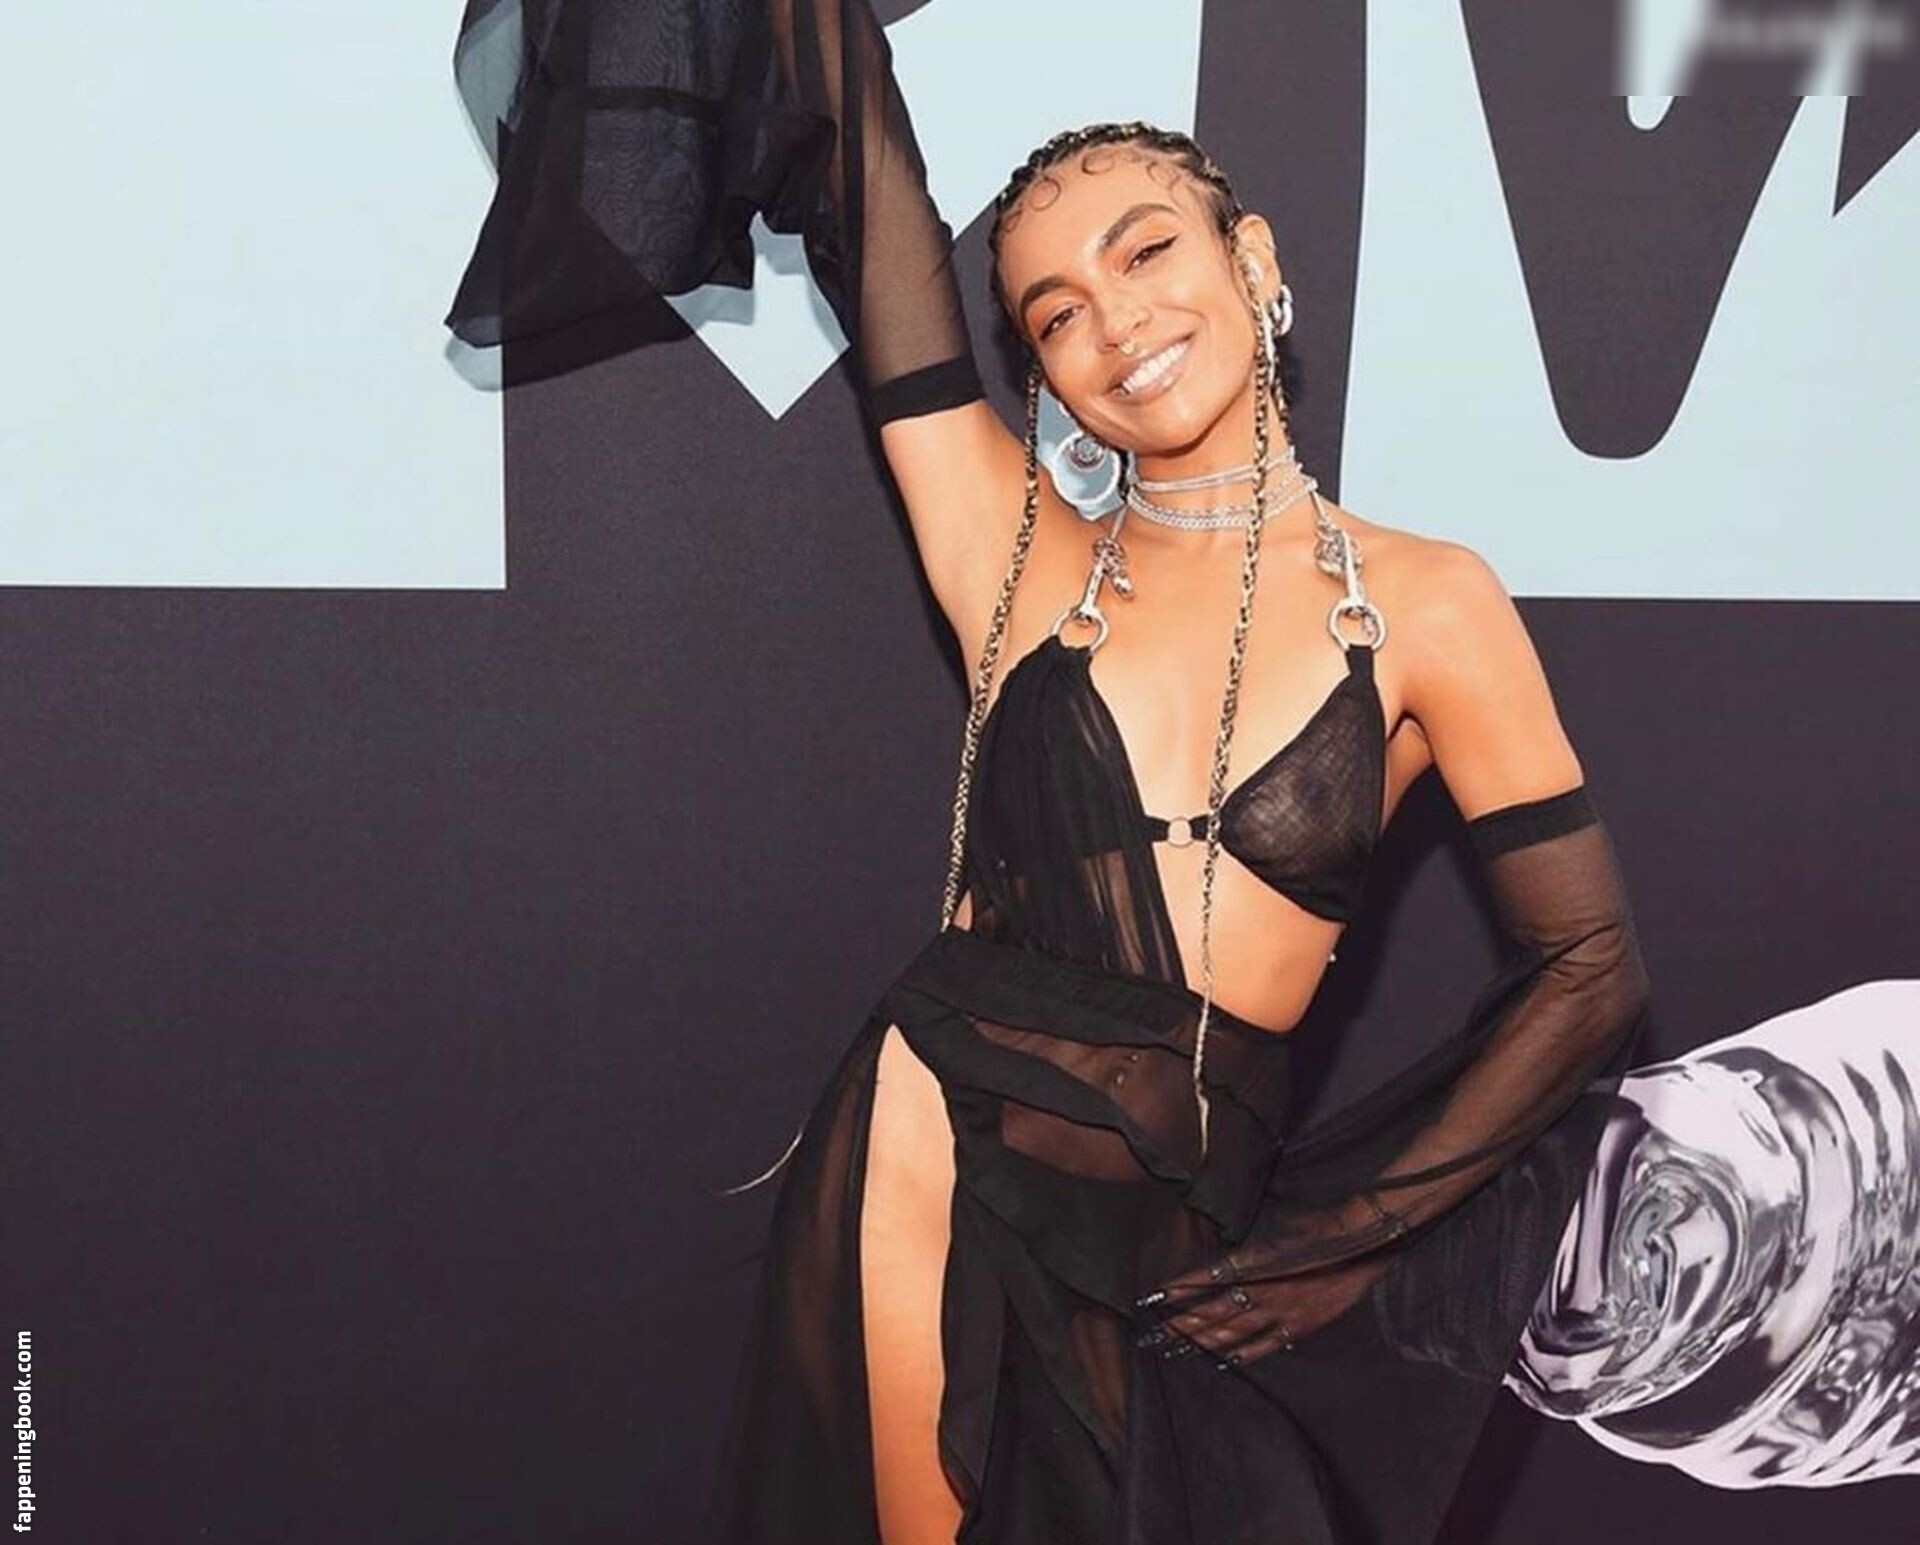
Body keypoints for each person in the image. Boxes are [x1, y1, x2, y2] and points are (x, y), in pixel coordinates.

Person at [444, 2, 1653, 1540]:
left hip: (1201, 1230)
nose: (1117, 321)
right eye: (1057, 312)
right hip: (936, 1155)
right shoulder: (1013, 554)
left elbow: (1590, 967)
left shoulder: (1427, 601)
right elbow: (865, 165)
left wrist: (1354, 1236)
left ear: (1254, 261)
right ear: (1043, 378)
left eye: (1146, 253)